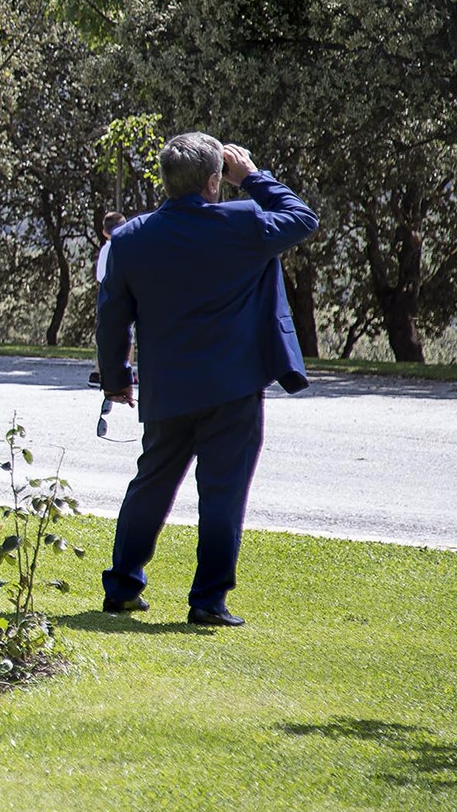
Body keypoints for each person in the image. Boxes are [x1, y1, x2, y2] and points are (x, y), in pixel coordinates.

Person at [97, 134, 317, 628]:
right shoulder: (242, 222)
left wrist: (116, 380)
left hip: (168, 387)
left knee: (151, 486)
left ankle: (123, 587)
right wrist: (252, 177)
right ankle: (208, 601)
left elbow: (111, 319)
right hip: (233, 386)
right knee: (222, 493)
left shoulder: (130, 239)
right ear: (214, 181)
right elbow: (302, 218)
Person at [89, 210, 127, 387]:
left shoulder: (105, 249)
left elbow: (99, 276)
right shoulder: (125, 248)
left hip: (106, 296)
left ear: (104, 232)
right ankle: (126, 369)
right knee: (127, 334)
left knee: (104, 334)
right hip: (124, 295)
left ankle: (98, 370)